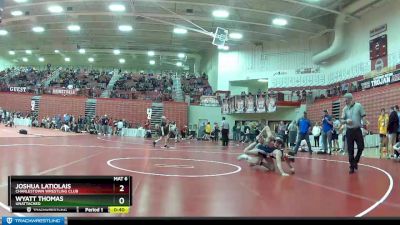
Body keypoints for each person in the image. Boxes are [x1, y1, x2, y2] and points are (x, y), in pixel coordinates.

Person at [341, 93, 366, 174]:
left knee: (361, 147)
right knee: (350, 150)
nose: (345, 101)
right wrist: (346, 121)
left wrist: (365, 128)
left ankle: (355, 161)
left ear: (350, 99)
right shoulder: (344, 109)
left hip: (357, 130)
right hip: (349, 131)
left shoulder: (358, 106)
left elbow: (363, 117)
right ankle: (352, 166)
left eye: (346, 99)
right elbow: (342, 120)